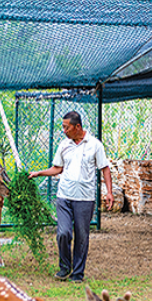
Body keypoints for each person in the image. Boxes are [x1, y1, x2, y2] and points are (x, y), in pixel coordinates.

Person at [28, 111, 114, 283]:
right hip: (64, 196)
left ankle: (78, 273)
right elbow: (57, 168)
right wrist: (39, 173)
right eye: (63, 127)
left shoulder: (95, 145)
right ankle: (65, 267)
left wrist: (109, 192)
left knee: (82, 236)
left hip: (85, 198)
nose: (64, 131)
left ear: (78, 127)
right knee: (63, 233)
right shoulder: (64, 145)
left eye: (67, 127)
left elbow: (104, 168)